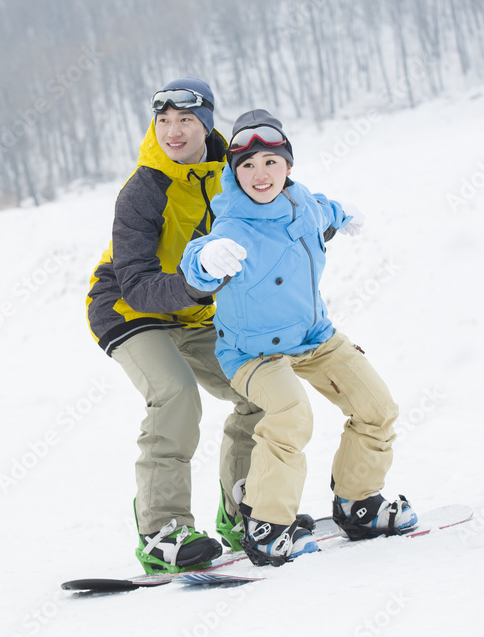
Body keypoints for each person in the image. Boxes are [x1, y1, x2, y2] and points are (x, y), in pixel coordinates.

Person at [179, 109, 418, 567]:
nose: (260, 174)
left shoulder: (303, 203)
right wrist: (205, 260)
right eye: (246, 166)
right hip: (252, 353)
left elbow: (324, 209)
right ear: (234, 172)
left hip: (314, 338)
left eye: (270, 162)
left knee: (377, 408)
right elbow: (196, 265)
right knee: (291, 416)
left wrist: (345, 214)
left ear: (288, 166)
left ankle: (359, 503)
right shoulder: (230, 227)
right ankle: (267, 525)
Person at [85, 78, 265, 573]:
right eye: (163, 120)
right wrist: (199, 284)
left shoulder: (233, 175)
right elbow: (139, 283)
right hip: (128, 308)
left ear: (206, 124)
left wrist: (319, 224)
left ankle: (243, 511)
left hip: (194, 310)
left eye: (186, 119)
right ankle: (162, 532)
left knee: (261, 392)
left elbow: (274, 217)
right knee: (176, 395)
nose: (173, 130)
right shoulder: (144, 189)